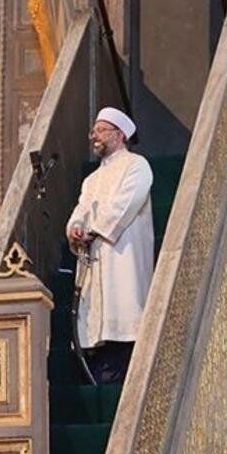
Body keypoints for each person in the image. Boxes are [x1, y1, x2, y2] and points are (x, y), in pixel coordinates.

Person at [66, 107, 154, 384]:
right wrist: (75, 228)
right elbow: (81, 209)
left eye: (101, 130)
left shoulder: (136, 165)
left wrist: (93, 229)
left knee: (124, 319)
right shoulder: (91, 180)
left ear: (120, 135)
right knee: (98, 331)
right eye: (93, 131)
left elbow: (125, 205)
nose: (95, 136)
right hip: (94, 258)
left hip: (122, 257)